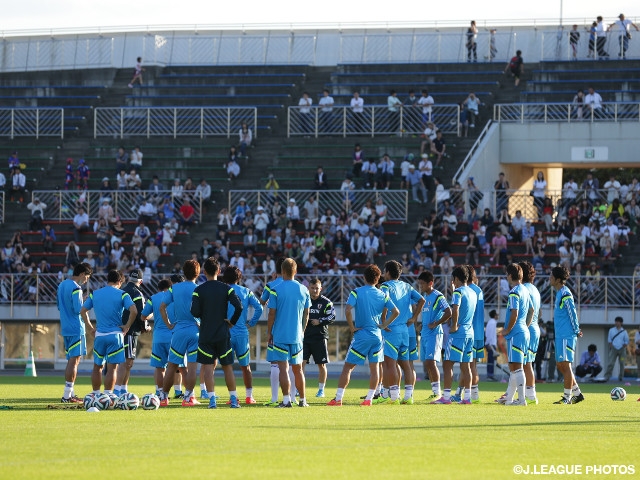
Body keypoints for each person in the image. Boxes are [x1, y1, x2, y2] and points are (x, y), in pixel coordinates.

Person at [327, 264, 399, 406]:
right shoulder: (383, 294)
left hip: (362, 335)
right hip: (377, 336)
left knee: (348, 367)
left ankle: (338, 398)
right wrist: (384, 325)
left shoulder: (356, 292)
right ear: (378, 279)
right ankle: (369, 399)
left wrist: (352, 327)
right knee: (375, 368)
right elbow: (396, 311)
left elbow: (347, 310)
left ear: (364, 277)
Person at [191, 258, 243, 408]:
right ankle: (233, 400)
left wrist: (204, 314)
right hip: (222, 333)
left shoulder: (198, 290)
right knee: (227, 367)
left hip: (206, 333)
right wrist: (232, 321)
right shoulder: (226, 288)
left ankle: (212, 400)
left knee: (207, 367)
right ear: (219, 271)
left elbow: (194, 311)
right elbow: (239, 306)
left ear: (204, 272)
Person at [80, 270, 137, 395]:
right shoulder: (122, 294)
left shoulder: (95, 293)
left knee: (97, 366)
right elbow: (134, 310)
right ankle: (108, 395)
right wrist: (127, 326)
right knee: (112, 368)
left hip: (99, 335)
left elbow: (83, 311)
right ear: (119, 281)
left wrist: (90, 328)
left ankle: (95, 394)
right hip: (115, 335)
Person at [377, 260, 424, 405]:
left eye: (385, 271)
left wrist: (384, 321)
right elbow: (421, 300)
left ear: (388, 273)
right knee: (406, 365)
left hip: (392, 330)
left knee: (390, 365)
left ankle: (394, 397)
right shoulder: (407, 286)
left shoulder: (385, 286)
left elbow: (385, 302)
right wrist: (414, 317)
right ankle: (409, 396)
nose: (384, 274)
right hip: (405, 330)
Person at [266, 258, 311, 408]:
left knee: (283, 369)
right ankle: (303, 400)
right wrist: (302, 330)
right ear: (296, 271)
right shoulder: (304, 289)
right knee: (298, 370)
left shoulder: (276, 289)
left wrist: (269, 332)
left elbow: (271, 313)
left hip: (280, 335)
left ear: (282, 271)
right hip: (297, 335)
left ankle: (286, 400)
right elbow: (307, 313)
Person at [157, 260, 202, 407]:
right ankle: (188, 397)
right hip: (195, 330)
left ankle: (163, 397)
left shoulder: (174, 288)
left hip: (178, 330)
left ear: (184, 272)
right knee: (192, 366)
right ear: (198, 272)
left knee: (171, 365)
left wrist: (169, 324)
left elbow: (162, 307)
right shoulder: (198, 289)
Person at [433, 266, 477, 404]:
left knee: (448, 364)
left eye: (453, 279)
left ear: (456, 279)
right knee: (466, 366)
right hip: (470, 332)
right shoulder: (472, 292)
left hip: (458, 333)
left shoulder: (458, 292)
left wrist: (453, 325)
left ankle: (446, 397)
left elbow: (455, 309)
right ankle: (467, 397)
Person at [223, 265, 263, 405]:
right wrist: (251, 323)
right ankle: (249, 396)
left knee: (227, 366)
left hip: (226, 333)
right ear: (239, 278)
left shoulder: (222, 291)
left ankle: (233, 397)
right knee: (245, 366)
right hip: (241, 333)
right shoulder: (246, 291)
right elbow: (259, 307)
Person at [57, 263, 93, 403]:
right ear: (83, 274)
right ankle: (67, 396)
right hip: (76, 327)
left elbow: (59, 306)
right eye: (87, 277)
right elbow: (79, 310)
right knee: (74, 361)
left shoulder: (61, 285)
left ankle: (70, 393)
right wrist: (86, 302)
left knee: (71, 360)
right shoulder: (76, 288)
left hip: (65, 327)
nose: (86, 280)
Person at [497, 263, 531, 406]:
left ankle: (522, 400)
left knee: (517, 368)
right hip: (523, 330)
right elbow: (532, 311)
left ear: (510, 275)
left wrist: (507, 329)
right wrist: (525, 326)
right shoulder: (525, 290)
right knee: (514, 368)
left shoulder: (514, 292)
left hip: (516, 332)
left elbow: (514, 313)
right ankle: (510, 398)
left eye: (507, 274)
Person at [549, 265, 584, 404]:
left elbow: (572, 312)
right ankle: (577, 394)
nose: (549, 279)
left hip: (567, 335)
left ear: (558, 279)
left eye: (551, 276)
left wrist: (576, 329)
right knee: (560, 365)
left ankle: (566, 398)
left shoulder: (565, 293)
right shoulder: (559, 293)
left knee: (566, 365)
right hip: (560, 335)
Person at [113, 269, 148, 396]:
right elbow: (141, 314)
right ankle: (118, 390)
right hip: (130, 330)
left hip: (118, 329)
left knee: (125, 361)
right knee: (127, 361)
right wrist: (145, 327)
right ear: (141, 281)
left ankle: (123, 389)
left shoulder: (122, 290)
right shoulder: (137, 293)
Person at [418, 270, 451, 401]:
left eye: (422, 284)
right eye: (419, 284)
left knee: (431, 363)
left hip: (434, 334)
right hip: (425, 334)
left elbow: (449, 312)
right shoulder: (425, 298)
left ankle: (438, 393)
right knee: (427, 363)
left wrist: (436, 323)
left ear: (430, 283)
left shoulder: (438, 296)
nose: (420, 286)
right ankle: (434, 392)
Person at [303, 277, 336, 399]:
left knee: (321, 365)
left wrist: (320, 321)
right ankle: (298, 389)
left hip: (320, 337)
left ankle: (321, 390)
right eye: (312, 288)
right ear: (309, 288)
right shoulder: (304, 300)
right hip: (304, 337)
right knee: (300, 364)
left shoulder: (326, 302)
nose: (314, 290)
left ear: (320, 289)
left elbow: (332, 316)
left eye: (317, 288)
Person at [260, 256, 286, 406]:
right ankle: (293, 398)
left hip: (276, 328)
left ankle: (275, 398)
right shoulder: (298, 285)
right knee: (292, 363)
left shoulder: (271, 285)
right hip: (293, 328)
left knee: (275, 363)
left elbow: (262, 302)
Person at [520, 261, 541, 405]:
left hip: (528, 329)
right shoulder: (535, 289)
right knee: (527, 364)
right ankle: (529, 393)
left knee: (523, 364)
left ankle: (529, 395)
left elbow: (530, 310)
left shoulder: (523, 289)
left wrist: (524, 328)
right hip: (535, 328)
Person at [603, 316, 629, 382]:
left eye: (618, 322)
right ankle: (607, 376)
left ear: (621, 323)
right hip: (614, 348)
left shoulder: (624, 331)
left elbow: (626, 340)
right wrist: (610, 344)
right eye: (616, 322)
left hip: (622, 349)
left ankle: (621, 377)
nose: (617, 323)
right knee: (611, 363)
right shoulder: (611, 330)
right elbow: (609, 339)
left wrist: (625, 344)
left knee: (622, 363)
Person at [485, 309, 498, 380]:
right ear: (494, 315)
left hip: (491, 343)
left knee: (491, 360)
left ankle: (491, 375)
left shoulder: (491, 322)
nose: (498, 316)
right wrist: (489, 344)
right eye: (497, 314)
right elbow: (489, 334)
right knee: (491, 360)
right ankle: (490, 375)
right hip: (491, 344)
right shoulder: (492, 323)